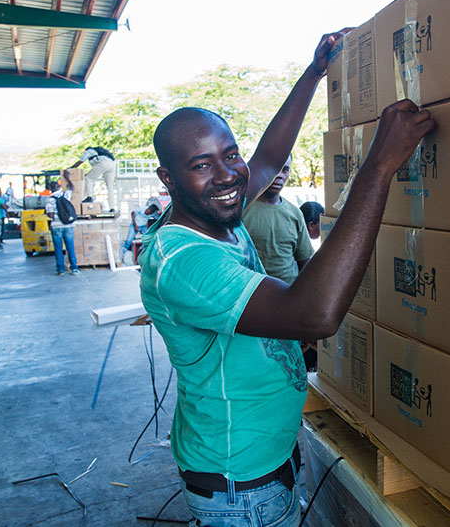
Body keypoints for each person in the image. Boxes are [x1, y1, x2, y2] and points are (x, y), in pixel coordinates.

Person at [138, 28, 433, 527]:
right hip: (239, 486)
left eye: (229, 154)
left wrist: (314, 72)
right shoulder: (184, 261)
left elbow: (268, 158)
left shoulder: (215, 214)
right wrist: (380, 165)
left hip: (261, 466)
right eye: (201, 165)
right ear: (168, 180)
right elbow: (313, 315)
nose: (228, 175)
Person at [241, 155, 314, 285]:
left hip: (289, 295)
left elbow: (304, 262)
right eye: (274, 168)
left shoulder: (295, 213)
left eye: (285, 169)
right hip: (251, 296)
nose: (279, 175)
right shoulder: (241, 210)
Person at [44, 175, 79, 275]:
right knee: (70, 246)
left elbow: (50, 215)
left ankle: (60, 269)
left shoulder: (50, 199)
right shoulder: (65, 194)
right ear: (59, 187)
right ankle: (74, 267)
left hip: (56, 226)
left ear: (50, 189)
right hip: (68, 225)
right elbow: (72, 188)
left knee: (58, 248)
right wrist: (67, 177)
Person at [70, 146, 117, 212]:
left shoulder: (88, 151)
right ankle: (112, 207)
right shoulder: (101, 153)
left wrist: (69, 168)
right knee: (110, 187)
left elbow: (80, 161)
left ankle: (89, 197)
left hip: (104, 164)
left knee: (88, 178)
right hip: (112, 165)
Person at [120, 198, 162, 265]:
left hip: (143, 226)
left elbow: (159, 218)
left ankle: (147, 255)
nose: (147, 214)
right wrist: (135, 225)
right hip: (134, 224)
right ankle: (120, 258)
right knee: (128, 241)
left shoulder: (153, 213)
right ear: (148, 208)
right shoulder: (141, 208)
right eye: (147, 212)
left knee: (148, 238)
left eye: (149, 214)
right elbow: (132, 213)